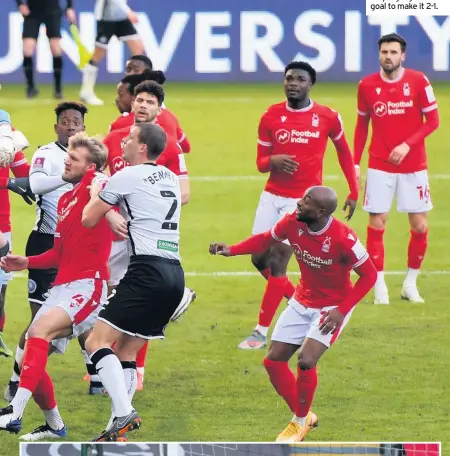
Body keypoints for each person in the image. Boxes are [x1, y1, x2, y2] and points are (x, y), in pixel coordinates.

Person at [209, 186, 377, 442]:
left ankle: (298, 423)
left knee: (306, 360)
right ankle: (306, 415)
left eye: (306, 201)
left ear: (320, 211)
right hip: (302, 299)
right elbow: (266, 239)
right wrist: (230, 250)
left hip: (331, 307)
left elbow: (369, 275)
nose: (298, 203)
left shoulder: (344, 238)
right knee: (273, 361)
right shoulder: (291, 222)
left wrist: (341, 311)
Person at [239, 61, 359, 350]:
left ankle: (260, 331)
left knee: (279, 260)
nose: (293, 83)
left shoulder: (327, 117)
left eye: (300, 79)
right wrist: (273, 161)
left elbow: (344, 153)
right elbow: (259, 163)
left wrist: (354, 190)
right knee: (259, 258)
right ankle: (296, 301)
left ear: (310, 84)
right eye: (289, 78)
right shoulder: (270, 116)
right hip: (271, 195)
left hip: (301, 202)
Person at [0, 133, 112, 440]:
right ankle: (55, 425)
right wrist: (27, 262)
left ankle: (15, 412)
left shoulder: (97, 186)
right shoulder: (64, 199)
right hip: (63, 285)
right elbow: (58, 254)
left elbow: (105, 188)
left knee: (38, 334)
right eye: (67, 157)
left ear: (90, 166)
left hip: (90, 285)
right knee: (28, 353)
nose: (66, 161)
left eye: (74, 159)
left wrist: (102, 191)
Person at [82, 122, 186, 441]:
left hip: (146, 272)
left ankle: (124, 412)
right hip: (174, 275)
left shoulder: (125, 175)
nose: (124, 142)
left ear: (142, 147)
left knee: (95, 342)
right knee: (126, 351)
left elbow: (88, 218)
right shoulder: (168, 176)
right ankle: (118, 428)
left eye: (130, 138)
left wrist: (96, 193)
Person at [102, 80, 194, 391]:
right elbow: (100, 179)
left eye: (150, 102)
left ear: (158, 108)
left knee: (138, 300)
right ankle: (113, 363)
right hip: (115, 232)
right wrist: (112, 212)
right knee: (117, 294)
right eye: (139, 100)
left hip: (146, 236)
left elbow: (184, 191)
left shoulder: (168, 143)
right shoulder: (115, 133)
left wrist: (144, 208)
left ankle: (135, 368)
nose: (142, 106)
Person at [4, 102, 87, 402]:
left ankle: (97, 374)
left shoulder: (91, 155)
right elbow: (36, 185)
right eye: (64, 122)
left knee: (88, 310)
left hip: (79, 246)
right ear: (56, 127)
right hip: (46, 242)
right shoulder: (45, 154)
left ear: (83, 127)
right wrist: (67, 179)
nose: (70, 126)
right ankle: (17, 379)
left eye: (75, 122)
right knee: (40, 321)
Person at [353, 33, 439, 304]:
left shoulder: (418, 81)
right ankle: (379, 287)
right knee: (377, 223)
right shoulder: (366, 85)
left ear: (403, 55)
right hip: (379, 165)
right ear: (379, 55)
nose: (388, 56)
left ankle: (410, 284)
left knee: (420, 225)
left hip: (414, 165)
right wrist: (355, 162)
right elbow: (361, 126)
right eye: (384, 52)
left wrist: (406, 145)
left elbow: (433, 121)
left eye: (393, 52)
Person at [0, 115, 33, 358]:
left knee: (1, 286)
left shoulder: (7, 133)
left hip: (2, 222)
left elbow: (25, 175)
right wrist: (8, 182)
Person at [110, 69, 191, 153]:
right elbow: (186, 147)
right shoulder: (170, 116)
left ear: (134, 98)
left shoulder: (119, 124)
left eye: (120, 95)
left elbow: (105, 156)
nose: (117, 99)